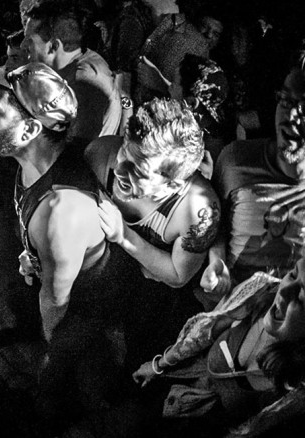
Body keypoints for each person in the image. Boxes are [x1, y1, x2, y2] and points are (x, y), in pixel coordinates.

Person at [0, 62, 138, 432]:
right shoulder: (31, 161)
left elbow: (55, 302)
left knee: (57, 383)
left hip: (85, 311)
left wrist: (51, 342)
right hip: (54, 281)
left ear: (32, 129)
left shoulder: (60, 212)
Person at [87, 98, 221, 367]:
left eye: (140, 170)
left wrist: (123, 235)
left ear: (174, 182)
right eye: (126, 152)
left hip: (157, 293)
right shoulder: (100, 153)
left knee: (142, 346)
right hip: (109, 268)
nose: (121, 170)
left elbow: (177, 276)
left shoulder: (197, 209)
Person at [131, 251, 305, 437]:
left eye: (302, 298)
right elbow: (204, 332)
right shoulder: (261, 289)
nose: (284, 292)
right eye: (293, 274)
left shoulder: (294, 397)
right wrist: (158, 365)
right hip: (179, 383)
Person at [200, 65, 305, 299]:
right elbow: (216, 224)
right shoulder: (235, 161)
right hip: (230, 314)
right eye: (286, 100)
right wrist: (218, 264)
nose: (292, 116)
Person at [22, 0, 122, 145]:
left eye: (30, 40)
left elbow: (74, 154)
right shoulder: (77, 63)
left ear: (54, 46)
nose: (22, 45)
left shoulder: (82, 84)